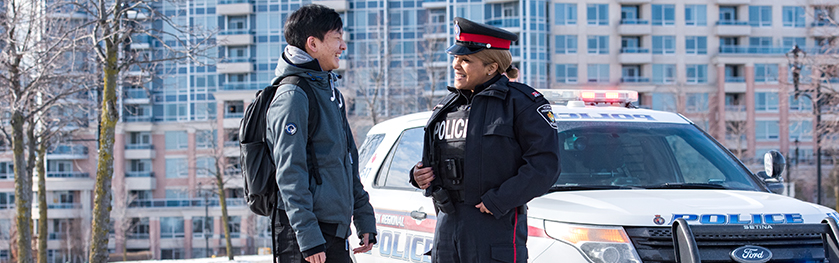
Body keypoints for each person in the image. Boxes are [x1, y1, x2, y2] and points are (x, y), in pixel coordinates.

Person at [410, 17, 561, 263]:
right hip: (447, 226)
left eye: (466, 60)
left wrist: (499, 200)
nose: (456, 66)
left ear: (491, 67)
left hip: (494, 225)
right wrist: (418, 176)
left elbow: (545, 166)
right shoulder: (446, 107)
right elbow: (436, 159)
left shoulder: (521, 103)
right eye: (456, 59)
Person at [266, 5, 376, 263]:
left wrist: (364, 217)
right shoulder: (293, 95)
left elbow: (348, 161)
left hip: (332, 231)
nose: (343, 46)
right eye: (337, 38)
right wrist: (309, 237)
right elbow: (289, 172)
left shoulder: (329, 92)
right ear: (313, 43)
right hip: (307, 236)